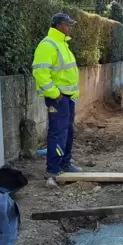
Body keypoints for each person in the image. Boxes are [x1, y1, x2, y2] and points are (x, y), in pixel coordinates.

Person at [31, 13, 83, 185]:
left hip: (67, 97)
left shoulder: (62, 44)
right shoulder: (48, 45)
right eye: (68, 25)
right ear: (59, 26)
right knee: (58, 132)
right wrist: (55, 94)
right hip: (58, 98)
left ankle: (65, 163)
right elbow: (40, 72)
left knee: (67, 131)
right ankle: (53, 169)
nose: (70, 28)